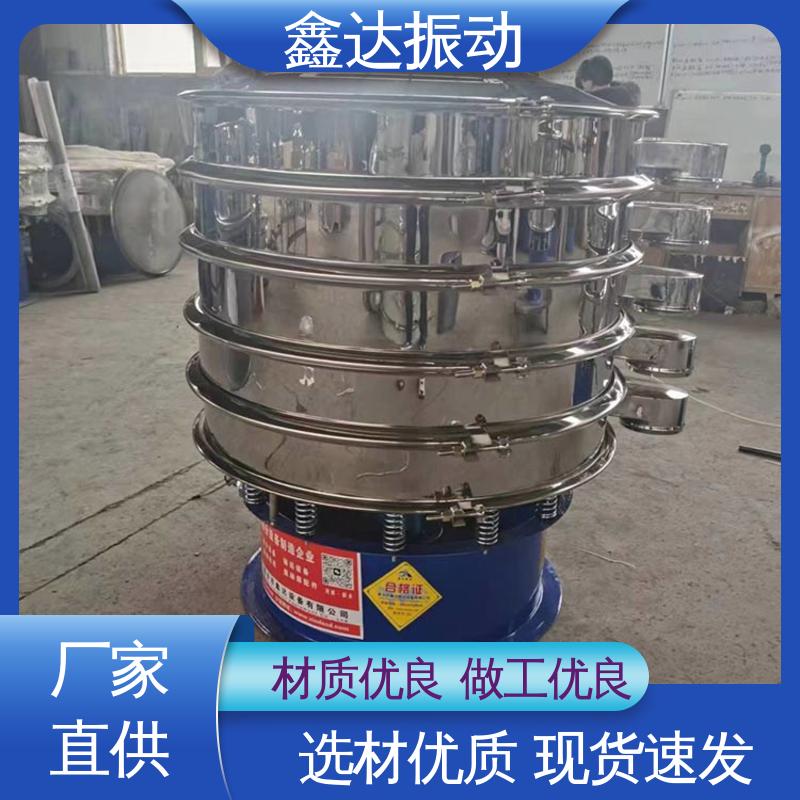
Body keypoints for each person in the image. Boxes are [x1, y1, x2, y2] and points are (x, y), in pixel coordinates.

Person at [575, 55, 641, 107]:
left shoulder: (585, 104)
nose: (583, 87)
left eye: (583, 81)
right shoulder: (627, 96)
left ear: (589, 82)